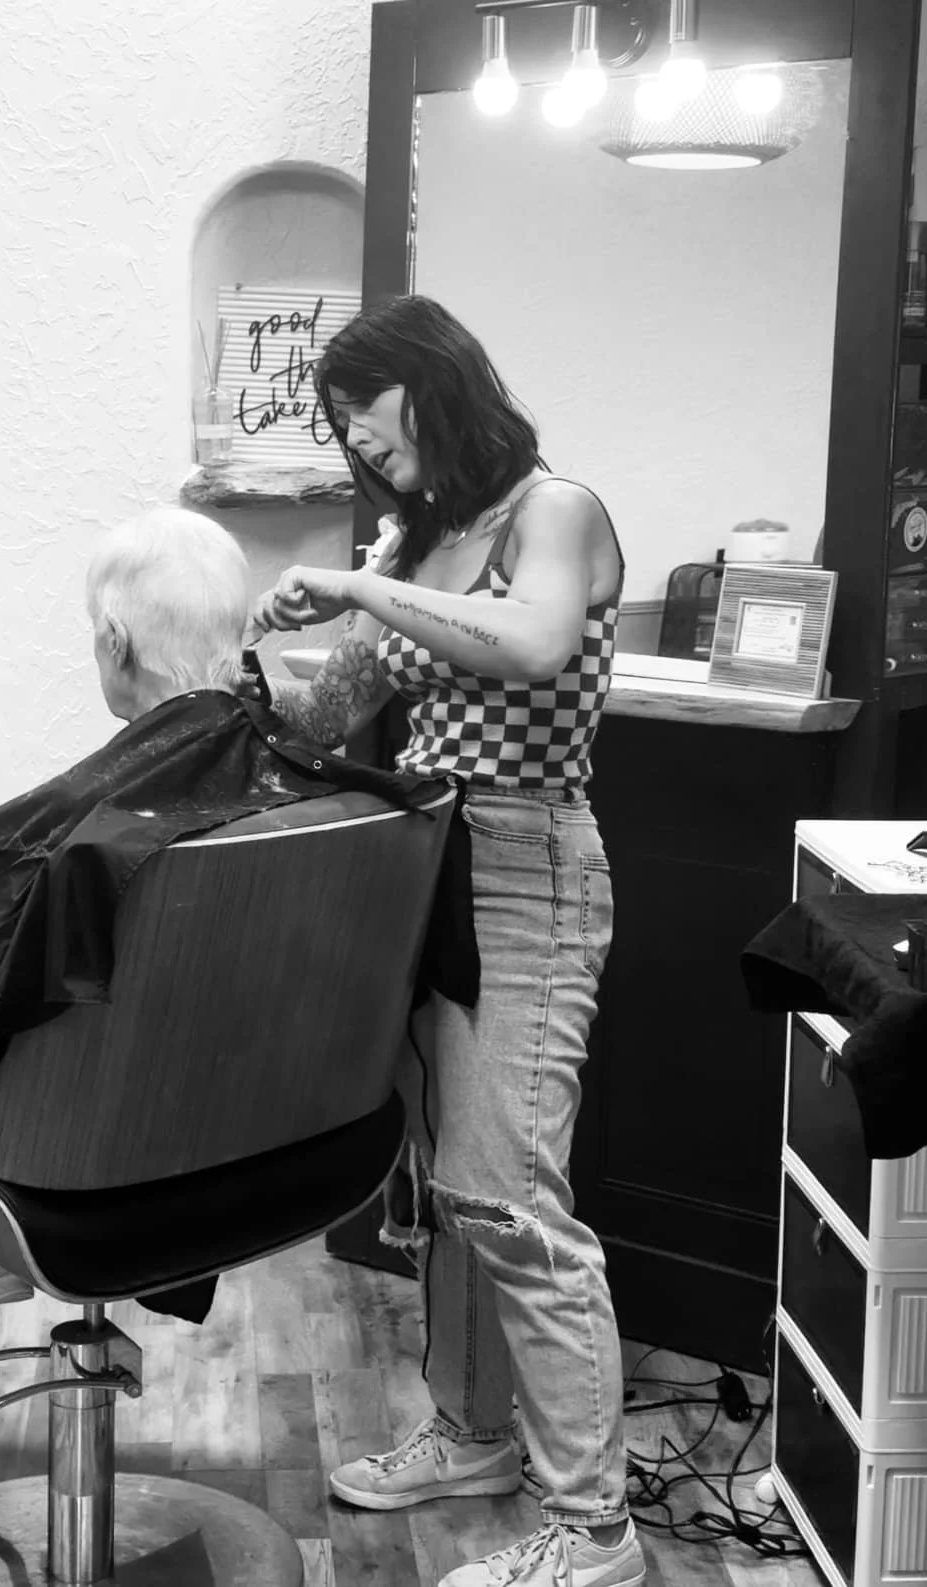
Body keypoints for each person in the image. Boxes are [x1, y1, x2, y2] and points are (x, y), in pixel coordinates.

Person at [0, 506, 434, 1402]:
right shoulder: (350, 807)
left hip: (76, 1164)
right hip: (282, 1141)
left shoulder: (102, 850)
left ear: (115, 642)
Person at [251, 295, 644, 1587]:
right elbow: (342, 703)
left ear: (433, 382)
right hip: (422, 862)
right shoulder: (418, 539)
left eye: (370, 417)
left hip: (525, 860)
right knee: (455, 1196)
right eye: (348, 435)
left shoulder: (554, 510)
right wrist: (237, 666)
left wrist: (361, 579)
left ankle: (595, 1528)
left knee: (513, 1202)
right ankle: (476, 1435)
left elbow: (531, 645)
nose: (362, 447)